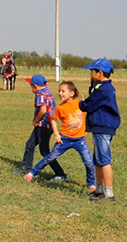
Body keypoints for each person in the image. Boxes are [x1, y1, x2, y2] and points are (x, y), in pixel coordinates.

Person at [25, 81, 96, 193]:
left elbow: (90, 108)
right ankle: (32, 173)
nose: (60, 93)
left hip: (79, 140)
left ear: (71, 93)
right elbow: (53, 120)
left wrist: (84, 102)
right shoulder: (60, 108)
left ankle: (91, 183)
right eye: (59, 91)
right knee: (50, 157)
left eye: (63, 91)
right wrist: (57, 134)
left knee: (89, 163)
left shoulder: (80, 104)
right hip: (64, 139)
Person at [79, 58, 120, 202]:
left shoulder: (104, 89)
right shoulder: (101, 87)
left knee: (104, 160)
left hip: (103, 127)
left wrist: (81, 103)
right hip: (99, 127)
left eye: (92, 72)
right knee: (98, 160)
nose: (90, 74)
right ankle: (99, 189)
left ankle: (109, 193)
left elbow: (88, 105)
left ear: (100, 73)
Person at [13, 74, 65, 180]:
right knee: (29, 145)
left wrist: (36, 120)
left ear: (35, 86)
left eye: (31, 85)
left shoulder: (40, 94)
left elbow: (43, 110)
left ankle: (60, 174)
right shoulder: (47, 91)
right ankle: (26, 167)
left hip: (44, 126)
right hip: (46, 125)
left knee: (45, 151)